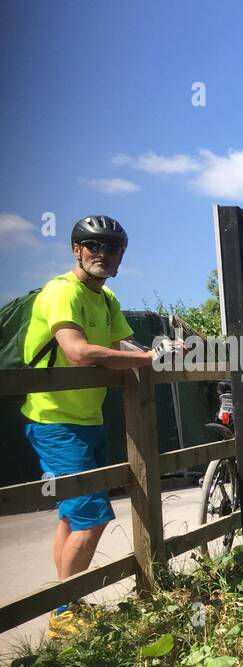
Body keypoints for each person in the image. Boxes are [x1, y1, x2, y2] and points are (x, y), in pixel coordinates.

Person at [21, 215, 156, 637]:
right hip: (56, 421)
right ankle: (64, 615)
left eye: (111, 248)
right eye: (92, 245)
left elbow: (121, 347)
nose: (102, 254)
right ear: (76, 249)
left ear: (120, 257)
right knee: (91, 519)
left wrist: (161, 350)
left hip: (88, 418)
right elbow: (78, 352)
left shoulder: (106, 298)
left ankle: (66, 603)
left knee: (70, 517)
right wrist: (151, 359)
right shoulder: (62, 291)